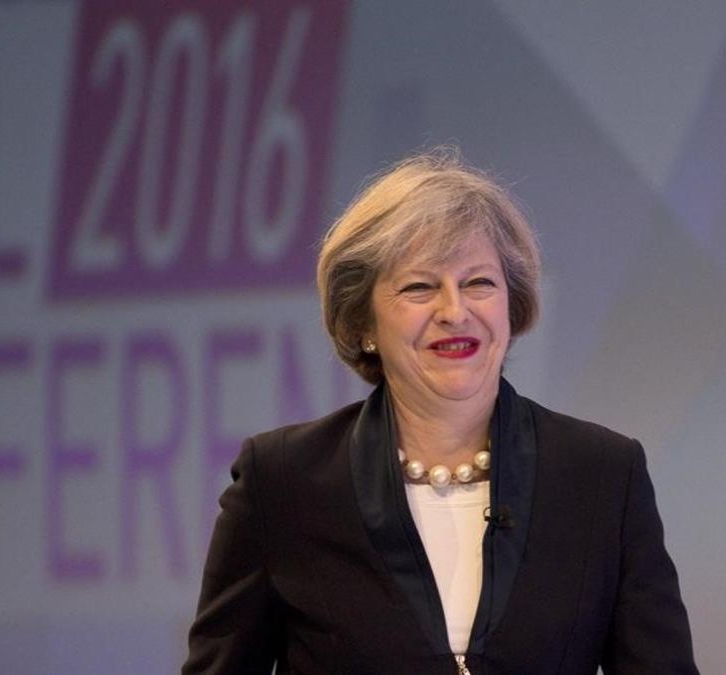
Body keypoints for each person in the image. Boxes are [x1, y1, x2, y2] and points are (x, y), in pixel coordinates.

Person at [182, 150, 698, 674]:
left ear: (510, 307)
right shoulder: (282, 482)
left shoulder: (602, 475)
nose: (455, 312)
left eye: (479, 283)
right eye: (420, 287)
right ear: (364, 323)